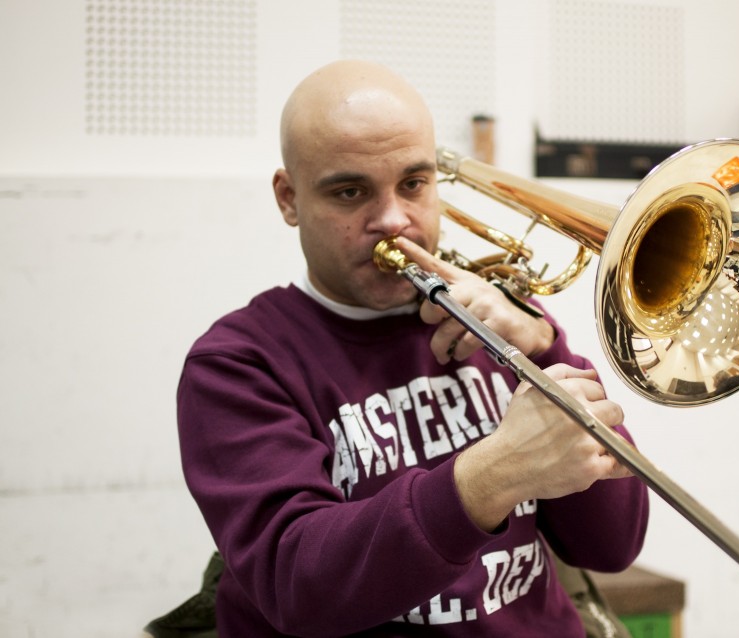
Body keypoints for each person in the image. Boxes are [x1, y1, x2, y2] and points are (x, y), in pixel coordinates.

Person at [175, 59, 649, 637]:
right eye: (350, 192)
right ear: (289, 198)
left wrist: (547, 349)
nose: (394, 220)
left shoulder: (496, 320)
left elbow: (612, 544)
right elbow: (297, 585)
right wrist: (491, 477)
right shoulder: (237, 363)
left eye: (414, 184)